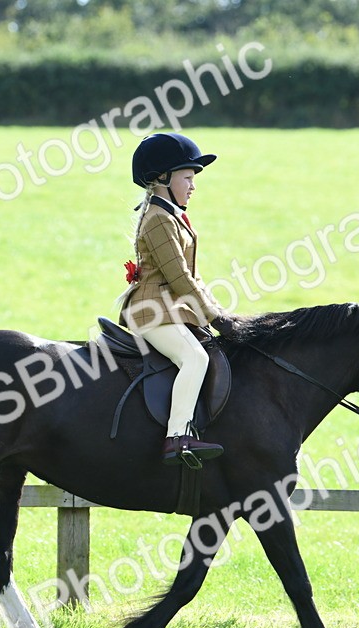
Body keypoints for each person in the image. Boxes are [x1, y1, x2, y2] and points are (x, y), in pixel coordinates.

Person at [118, 132, 237, 466]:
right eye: (188, 177)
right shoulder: (158, 219)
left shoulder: (171, 215)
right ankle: (177, 438)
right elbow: (180, 279)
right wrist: (216, 319)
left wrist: (220, 314)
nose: (193, 186)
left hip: (169, 310)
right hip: (152, 313)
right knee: (194, 358)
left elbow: (193, 277)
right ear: (162, 178)